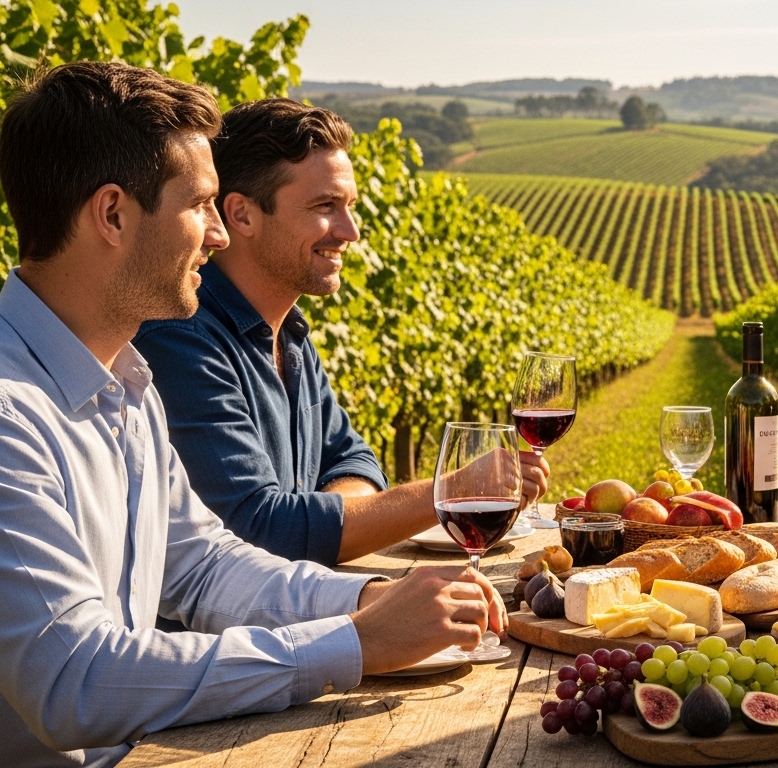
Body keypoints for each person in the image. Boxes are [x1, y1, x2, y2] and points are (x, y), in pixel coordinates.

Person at [0, 62, 507, 767]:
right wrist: (353, 644)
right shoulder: (9, 413)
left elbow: (206, 566)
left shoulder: (125, 380)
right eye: (200, 205)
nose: (216, 234)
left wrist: (368, 597)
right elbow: (71, 680)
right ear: (112, 214)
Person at [132, 98, 548, 566]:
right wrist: (452, 490)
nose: (349, 231)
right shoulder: (179, 339)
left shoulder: (291, 335)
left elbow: (356, 461)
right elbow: (260, 533)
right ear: (242, 215)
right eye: (325, 206)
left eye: (348, 205)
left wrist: (324, 514)